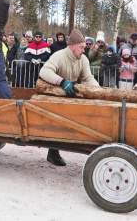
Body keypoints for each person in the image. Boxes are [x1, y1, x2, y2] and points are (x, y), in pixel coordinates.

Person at [39, 29, 99, 166]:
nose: (84, 50)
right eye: (81, 47)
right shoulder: (58, 56)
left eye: (84, 47)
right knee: (57, 123)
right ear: (72, 46)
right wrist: (62, 82)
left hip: (70, 95)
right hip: (54, 95)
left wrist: (98, 91)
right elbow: (44, 71)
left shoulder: (83, 59)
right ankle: (53, 152)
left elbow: (88, 78)